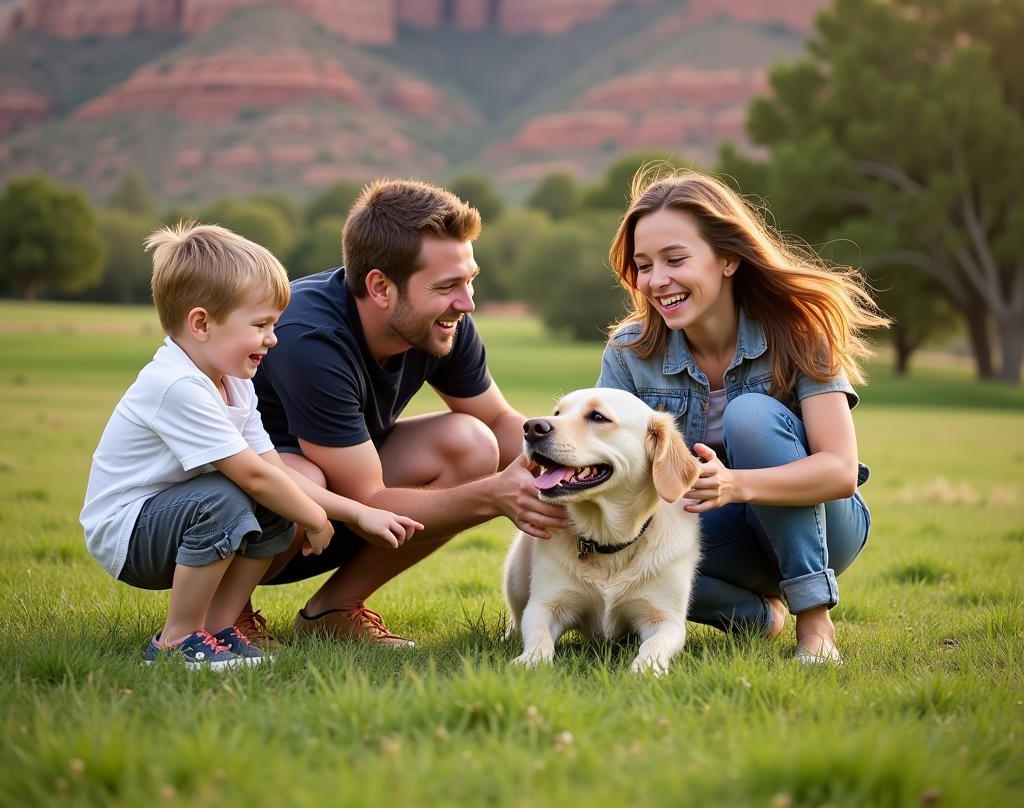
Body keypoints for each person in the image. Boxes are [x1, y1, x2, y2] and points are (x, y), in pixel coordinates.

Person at [80, 222, 421, 668]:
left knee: (275, 499)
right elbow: (254, 475)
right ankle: (175, 641)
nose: (273, 338)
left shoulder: (235, 382)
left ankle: (221, 631)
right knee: (231, 495)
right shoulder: (177, 384)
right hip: (128, 533)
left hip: (174, 516)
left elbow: (273, 467)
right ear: (201, 323)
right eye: (260, 325)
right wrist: (317, 517)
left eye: (274, 324)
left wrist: (357, 512)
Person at [251, 178, 567, 647]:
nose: (467, 302)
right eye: (447, 286)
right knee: (302, 481)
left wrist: (568, 467)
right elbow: (370, 501)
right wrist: (495, 495)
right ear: (380, 286)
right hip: (239, 515)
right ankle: (226, 615)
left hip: (334, 504)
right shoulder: (308, 337)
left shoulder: (441, 322)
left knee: (471, 442)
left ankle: (333, 611)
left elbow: (502, 425)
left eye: (469, 281)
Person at [597, 170, 888, 664]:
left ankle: (815, 625)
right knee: (622, 549)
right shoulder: (629, 352)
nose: (656, 281)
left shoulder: (798, 331)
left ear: (729, 258)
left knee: (751, 416)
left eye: (675, 259)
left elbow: (839, 472)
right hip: (716, 533)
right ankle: (757, 617)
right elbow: (605, 459)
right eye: (643, 265)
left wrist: (737, 484)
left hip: (825, 527)